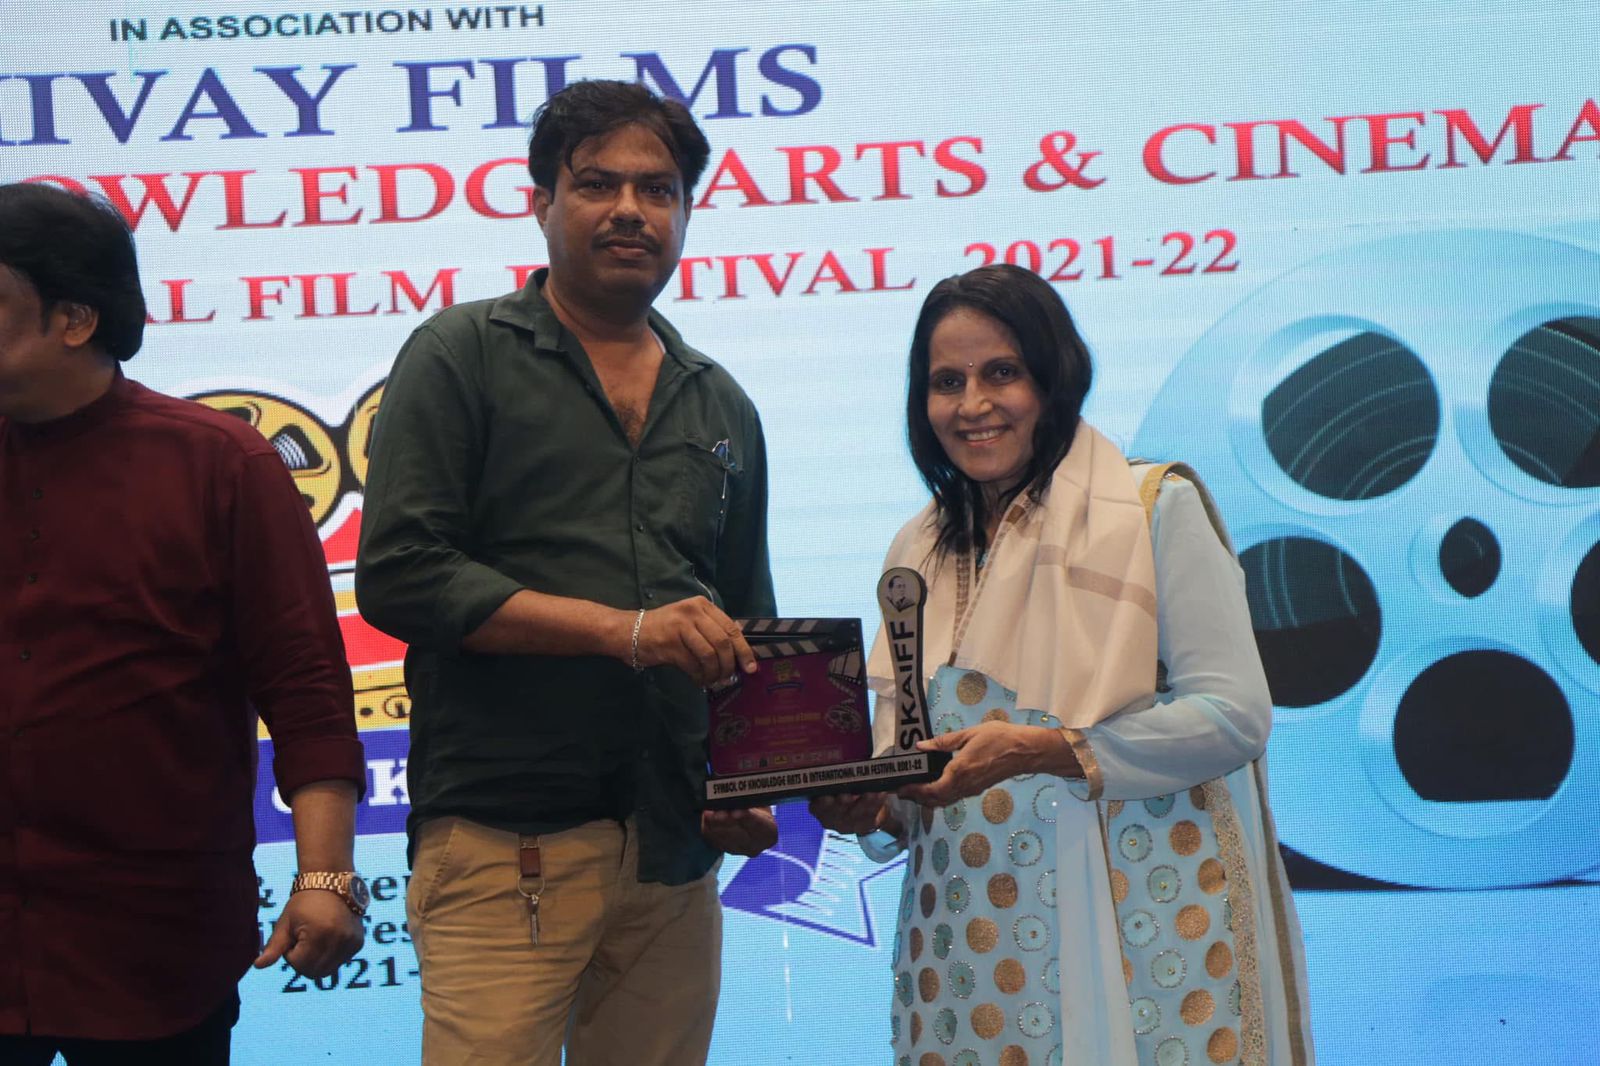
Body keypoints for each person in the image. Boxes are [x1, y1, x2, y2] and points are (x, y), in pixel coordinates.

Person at [355, 79, 778, 1066]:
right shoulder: (460, 354)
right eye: (597, 184)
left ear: (685, 212)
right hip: (506, 838)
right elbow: (402, 575)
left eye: (658, 189)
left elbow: (746, 623)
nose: (631, 210)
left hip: (675, 851)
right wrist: (624, 632)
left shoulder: (720, 403)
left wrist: (752, 778)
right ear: (542, 200)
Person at [813, 264, 1315, 1065]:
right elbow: (911, 766)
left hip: (1137, 918)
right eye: (947, 382)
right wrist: (868, 808)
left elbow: (1234, 716)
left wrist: (1043, 750)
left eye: (1001, 373)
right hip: (968, 945)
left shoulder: (1151, 508)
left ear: (1054, 380)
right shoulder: (917, 549)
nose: (972, 404)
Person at [0, 183, 368, 1064]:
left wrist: (325, 876)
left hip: (151, 939)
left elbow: (307, 692)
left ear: (74, 319)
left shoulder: (219, 464)